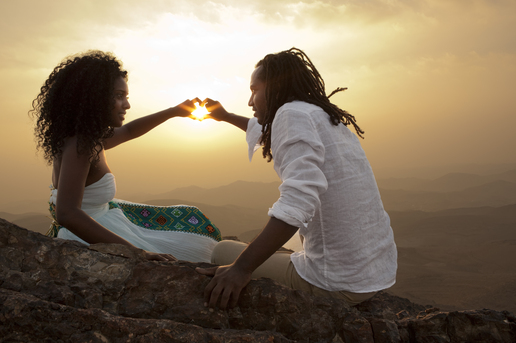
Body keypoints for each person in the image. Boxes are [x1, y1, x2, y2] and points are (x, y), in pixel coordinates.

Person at [196, 48, 397, 309]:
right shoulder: (319, 114)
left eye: (254, 90)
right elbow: (265, 129)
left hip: (336, 282)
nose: (250, 101)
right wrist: (225, 117)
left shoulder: (290, 114)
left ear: (276, 87)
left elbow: (299, 200)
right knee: (270, 246)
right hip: (372, 273)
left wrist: (241, 269)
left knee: (221, 251)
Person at [30, 50, 221, 263]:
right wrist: (138, 253)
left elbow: (129, 131)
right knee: (198, 250)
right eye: (119, 96)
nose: (127, 105)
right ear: (95, 96)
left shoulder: (88, 138)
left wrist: (174, 111)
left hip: (106, 221)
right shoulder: (81, 144)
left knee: (193, 225)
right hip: (85, 235)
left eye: (126, 97)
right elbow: (67, 214)